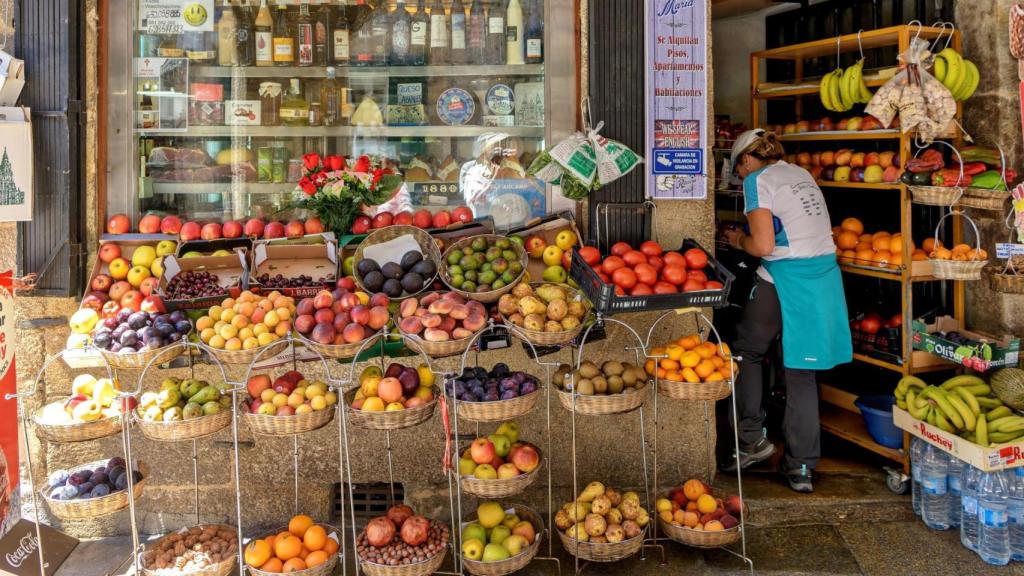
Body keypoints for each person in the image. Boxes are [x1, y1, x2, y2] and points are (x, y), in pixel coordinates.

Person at [722, 129, 852, 493]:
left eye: (739, 170)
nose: (741, 177)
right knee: (801, 371)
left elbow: (762, 245)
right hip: (823, 277)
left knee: (747, 350)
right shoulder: (801, 174)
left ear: (746, 161)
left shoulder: (758, 180)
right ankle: (801, 469)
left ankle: (750, 441)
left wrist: (736, 239)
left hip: (785, 277)